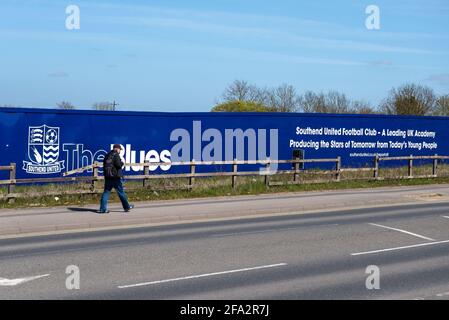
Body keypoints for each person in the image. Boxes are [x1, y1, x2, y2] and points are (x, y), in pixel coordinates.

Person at [98, 144, 134, 214]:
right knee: (121, 192)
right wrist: (122, 163)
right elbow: (118, 165)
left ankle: (102, 209)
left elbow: (104, 166)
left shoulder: (107, 155)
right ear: (117, 149)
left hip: (108, 177)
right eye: (120, 149)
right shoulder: (116, 155)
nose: (120, 151)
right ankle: (127, 207)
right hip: (115, 178)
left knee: (106, 192)